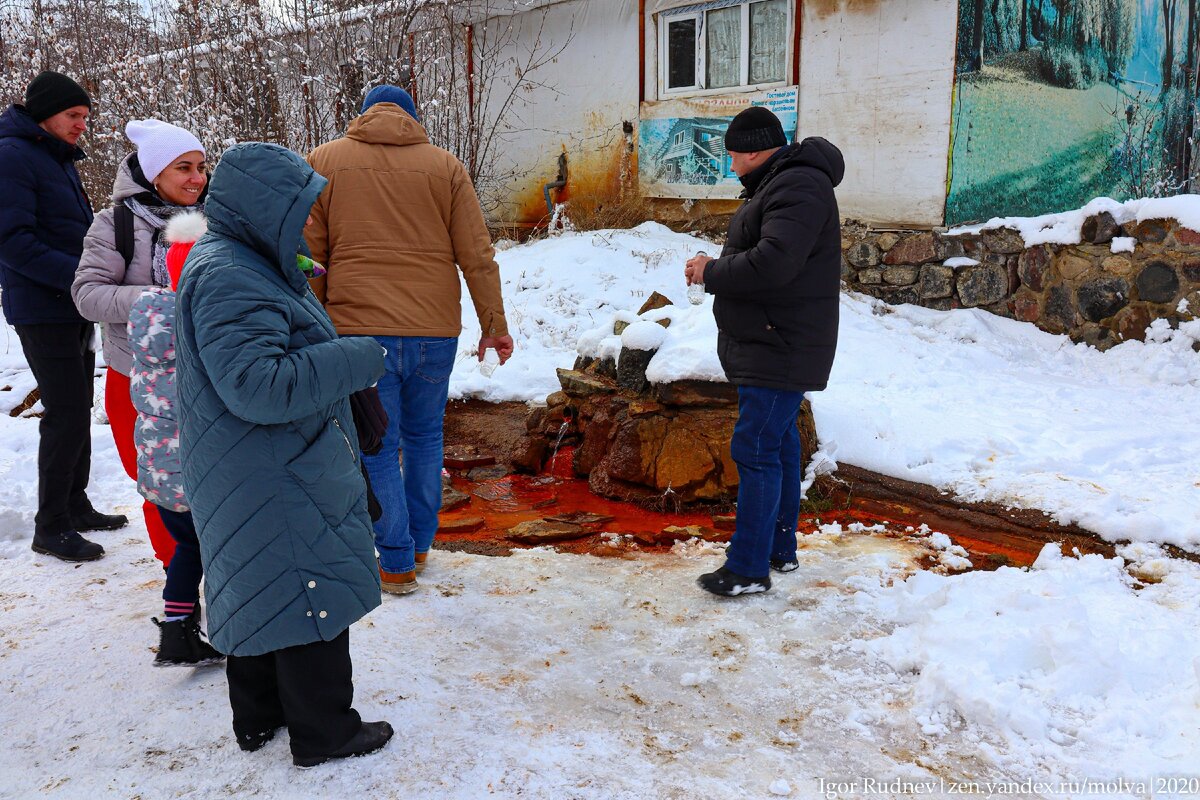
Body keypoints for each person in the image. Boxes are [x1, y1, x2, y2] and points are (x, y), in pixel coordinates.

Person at [174, 141, 391, 767]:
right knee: (307, 588)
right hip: (274, 464)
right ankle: (326, 731)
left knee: (260, 580)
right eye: (298, 209)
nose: (305, 223)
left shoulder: (236, 259)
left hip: (250, 464)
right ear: (262, 206)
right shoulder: (233, 274)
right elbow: (257, 384)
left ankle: (259, 716)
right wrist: (355, 357)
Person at [305, 85, 513, 595]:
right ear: (412, 118)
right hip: (433, 331)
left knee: (377, 445)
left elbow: (310, 254)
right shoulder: (445, 167)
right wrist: (494, 325)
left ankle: (395, 562)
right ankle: (420, 543)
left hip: (358, 332)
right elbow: (478, 254)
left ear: (362, 115)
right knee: (425, 439)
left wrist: (311, 324)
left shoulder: (323, 161)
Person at [685, 107, 844, 597]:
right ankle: (778, 549)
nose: (731, 165)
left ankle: (749, 568)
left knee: (755, 448)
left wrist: (710, 271)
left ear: (754, 150)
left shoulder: (795, 186)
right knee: (778, 444)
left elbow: (774, 263)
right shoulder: (783, 183)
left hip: (780, 343)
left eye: (733, 155)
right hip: (776, 340)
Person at [0, 71, 127, 562]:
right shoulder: (12, 157)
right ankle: (49, 525)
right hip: (42, 308)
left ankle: (75, 504)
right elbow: (12, 242)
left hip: (72, 304)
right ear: (45, 112)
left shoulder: (55, 157)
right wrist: (80, 277)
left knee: (78, 403)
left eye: (85, 118)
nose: (82, 126)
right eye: (74, 116)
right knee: (67, 410)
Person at [73, 119, 209, 570]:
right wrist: (160, 301)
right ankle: (181, 580)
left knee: (215, 478)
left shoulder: (216, 220)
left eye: (202, 167)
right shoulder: (116, 225)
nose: (197, 178)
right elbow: (88, 296)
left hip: (207, 375)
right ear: (154, 175)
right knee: (158, 481)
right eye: (183, 168)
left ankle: (223, 571)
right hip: (137, 380)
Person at [128, 210, 222, 667]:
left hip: (162, 476)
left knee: (188, 550)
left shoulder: (147, 326)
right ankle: (224, 629)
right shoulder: (203, 324)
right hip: (201, 478)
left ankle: (176, 628)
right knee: (218, 553)